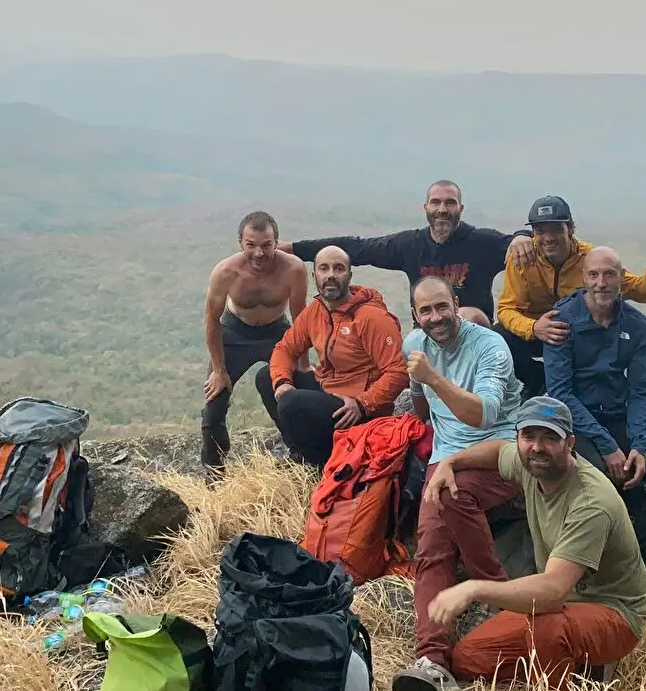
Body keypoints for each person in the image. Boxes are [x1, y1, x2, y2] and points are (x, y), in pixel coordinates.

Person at [402, 396, 646, 691]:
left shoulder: (590, 503)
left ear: (569, 443)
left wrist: (475, 588)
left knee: (545, 626)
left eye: (550, 437)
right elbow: (496, 452)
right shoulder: (529, 465)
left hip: (614, 613)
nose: (537, 446)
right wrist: (451, 463)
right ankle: (582, 666)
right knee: (468, 659)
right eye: (529, 436)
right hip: (562, 606)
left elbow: (552, 590)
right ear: (518, 438)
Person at [391, 275, 523, 691]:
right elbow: (418, 396)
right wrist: (424, 396)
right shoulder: (415, 342)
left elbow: (482, 415)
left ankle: (501, 596)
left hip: (497, 451)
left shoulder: (489, 347)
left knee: (449, 496)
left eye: (441, 307)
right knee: (430, 548)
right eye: (425, 311)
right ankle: (431, 661)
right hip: (444, 459)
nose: (435, 318)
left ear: (456, 304)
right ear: (416, 315)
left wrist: (432, 376)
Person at [543, 246, 646, 561]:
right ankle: (586, 555)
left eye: (609, 274)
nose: (601, 283)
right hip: (575, 418)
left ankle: (629, 557)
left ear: (622, 279)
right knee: (599, 480)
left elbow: (640, 390)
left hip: (618, 412)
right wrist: (607, 445)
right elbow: (560, 391)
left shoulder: (636, 325)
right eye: (593, 275)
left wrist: (640, 444)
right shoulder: (562, 320)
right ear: (583, 278)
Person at [496, 195, 646, 398]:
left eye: (555, 229)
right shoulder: (523, 258)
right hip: (537, 329)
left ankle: (587, 389)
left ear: (570, 229)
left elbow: (637, 290)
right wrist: (534, 328)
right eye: (540, 230)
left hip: (575, 334)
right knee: (497, 338)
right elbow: (507, 309)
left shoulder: (590, 259)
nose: (548, 237)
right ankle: (540, 381)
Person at [281, 180, 533, 322]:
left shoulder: (481, 242)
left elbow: (528, 242)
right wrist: (293, 249)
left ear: (461, 208)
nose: (442, 209)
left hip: (476, 339)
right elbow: (357, 247)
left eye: (449, 203)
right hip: (427, 335)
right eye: (436, 202)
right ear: (426, 207)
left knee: (467, 315)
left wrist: (522, 236)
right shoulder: (411, 245)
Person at [255, 246, 408, 468]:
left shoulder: (371, 317)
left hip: (357, 409)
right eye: (324, 269)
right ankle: (302, 455)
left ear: (349, 275)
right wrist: (282, 382)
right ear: (314, 275)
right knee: (265, 377)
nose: (331, 276)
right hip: (329, 389)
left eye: (339, 269)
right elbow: (285, 349)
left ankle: (325, 466)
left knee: (291, 403)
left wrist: (363, 403)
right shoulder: (317, 310)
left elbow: (398, 371)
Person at [201, 210, 309, 472]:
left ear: (276, 242)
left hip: (276, 332)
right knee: (213, 407)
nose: (259, 253)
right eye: (251, 245)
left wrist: (303, 363)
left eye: (266, 245)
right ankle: (214, 470)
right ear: (240, 242)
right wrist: (218, 370)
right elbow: (211, 320)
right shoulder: (226, 271)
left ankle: (300, 455)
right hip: (234, 333)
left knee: (290, 395)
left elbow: (301, 317)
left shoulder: (293, 269)